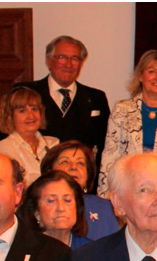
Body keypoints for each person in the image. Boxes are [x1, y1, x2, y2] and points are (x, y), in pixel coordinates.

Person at [97, 50, 157, 196]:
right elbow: (110, 154)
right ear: (141, 76)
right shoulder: (122, 109)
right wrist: (105, 195)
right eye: (151, 71)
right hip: (130, 187)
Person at [11, 35, 111, 168]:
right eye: (62, 57)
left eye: (75, 59)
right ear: (49, 61)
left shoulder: (96, 98)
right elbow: (7, 132)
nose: (69, 64)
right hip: (38, 177)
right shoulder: (25, 92)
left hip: (81, 178)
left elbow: (106, 144)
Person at [40, 140, 119, 240]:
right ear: (49, 171)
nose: (73, 167)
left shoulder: (104, 208)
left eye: (80, 163)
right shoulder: (37, 204)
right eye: (65, 162)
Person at [0, 87, 59, 187]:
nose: (31, 116)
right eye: (22, 111)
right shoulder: (4, 149)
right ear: (10, 116)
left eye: (34, 109)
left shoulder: (54, 144)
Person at [20, 171, 92, 249]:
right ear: (36, 213)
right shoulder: (23, 251)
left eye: (67, 200)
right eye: (51, 201)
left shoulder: (90, 250)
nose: (61, 208)